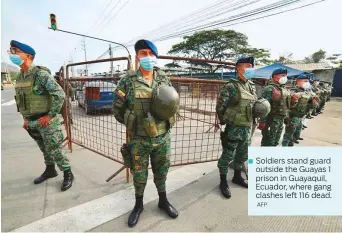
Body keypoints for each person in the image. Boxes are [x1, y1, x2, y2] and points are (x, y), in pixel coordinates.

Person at [113, 39, 179, 227]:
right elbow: (117, 110)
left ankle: (163, 200)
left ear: (155, 56)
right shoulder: (127, 81)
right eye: (143, 53)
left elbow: (172, 102)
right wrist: (133, 121)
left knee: (162, 172)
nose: (147, 57)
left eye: (150, 54)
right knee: (139, 174)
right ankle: (139, 205)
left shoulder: (164, 78)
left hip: (162, 137)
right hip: (139, 139)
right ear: (137, 57)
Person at [9, 40, 74, 191]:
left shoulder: (40, 74)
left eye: (16, 51)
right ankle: (50, 170)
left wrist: (50, 116)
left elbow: (59, 94)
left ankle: (68, 173)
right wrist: (25, 119)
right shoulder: (20, 76)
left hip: (46, 122)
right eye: (11, 50)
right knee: (44, 149)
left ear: (28, 56)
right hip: (31, 122)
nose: (12, 54)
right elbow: (21, 100)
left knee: (55, 150)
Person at [216, 56, 258, 198]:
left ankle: (237, 176)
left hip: (247, 127)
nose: (251, 68)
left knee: (243, 154)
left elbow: (255, 105)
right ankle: (222, 181)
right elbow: (220, 107)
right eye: (248, 65)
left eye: (252, 66)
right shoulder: (231, 86)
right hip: (234, 128)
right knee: (227, 155)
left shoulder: (251, 86)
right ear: (238, 68)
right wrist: (227, 121)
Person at [258, 68, 290, 146]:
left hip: (280, 120)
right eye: (283, 75)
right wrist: (262, 122)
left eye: (285, 75)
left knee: (275, 142)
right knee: (268, 142)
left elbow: (286, 105)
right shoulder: (269, 89)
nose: (285, 77)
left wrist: (286, 117)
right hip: (271, 121)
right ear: (275, 76)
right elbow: (263, 107)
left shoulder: (283, 89)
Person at [282, 74, 311, 147]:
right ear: (298, 82)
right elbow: (286, 104)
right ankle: (285, 146)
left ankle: (292, 141)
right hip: (292, 116)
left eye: (308, 81)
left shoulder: (306, 91)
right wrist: (287, 117)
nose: (307, 83)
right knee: (289, 133)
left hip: (300, 115)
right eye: (305, 81)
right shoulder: (293, 91)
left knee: (297, 129)